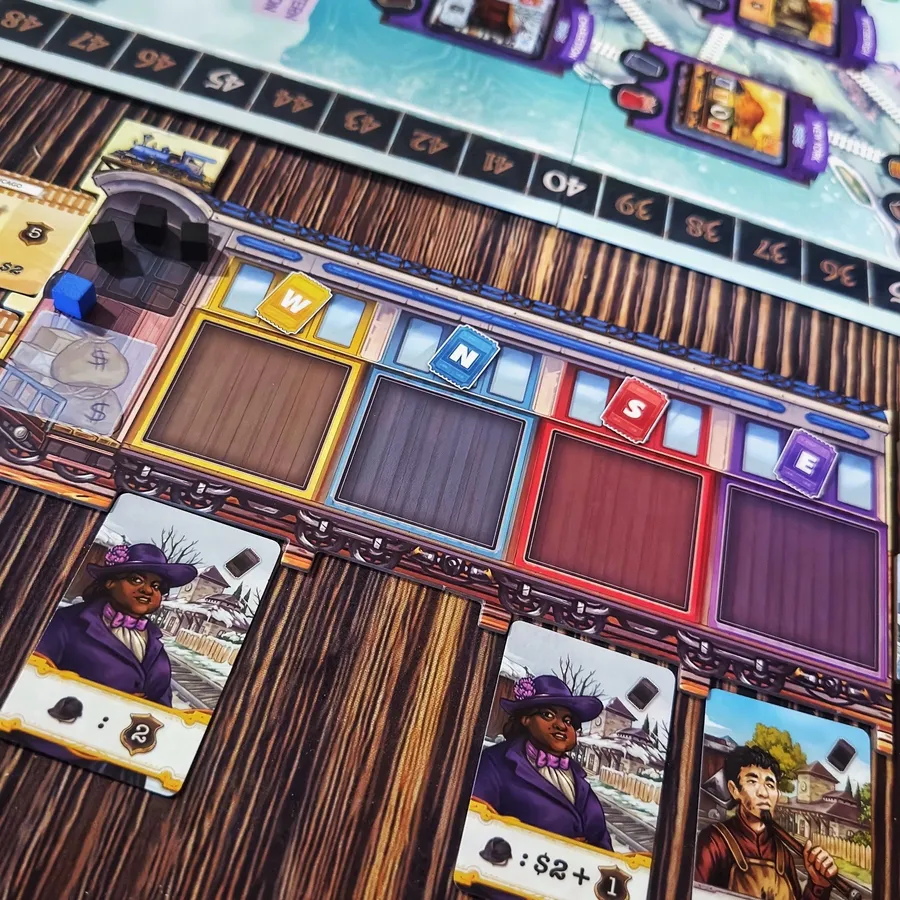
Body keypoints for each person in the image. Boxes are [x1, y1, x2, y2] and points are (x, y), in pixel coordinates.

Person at [34, 543, 198, 706]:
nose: (148, 590)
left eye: (156, 586)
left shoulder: (156, 645)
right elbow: (34, 678)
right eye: (136, 580)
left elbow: (163, 702)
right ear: (110, 582)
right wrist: (110, 702)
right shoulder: (66, 623)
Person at [472, 674, 612, 851]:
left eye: (567, 720)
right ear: (526, 719)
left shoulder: (580, 782)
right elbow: (474, 826)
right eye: (548, 715)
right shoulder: (495, 763)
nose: (561, 726)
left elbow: (601, 839)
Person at [695, 745, 838, 900]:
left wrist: (818, 885)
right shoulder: (715, 842)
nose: (763, 793)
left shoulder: (782, 853)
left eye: (770, 785)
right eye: (752, 781)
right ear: (734, 790)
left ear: (777, 794)